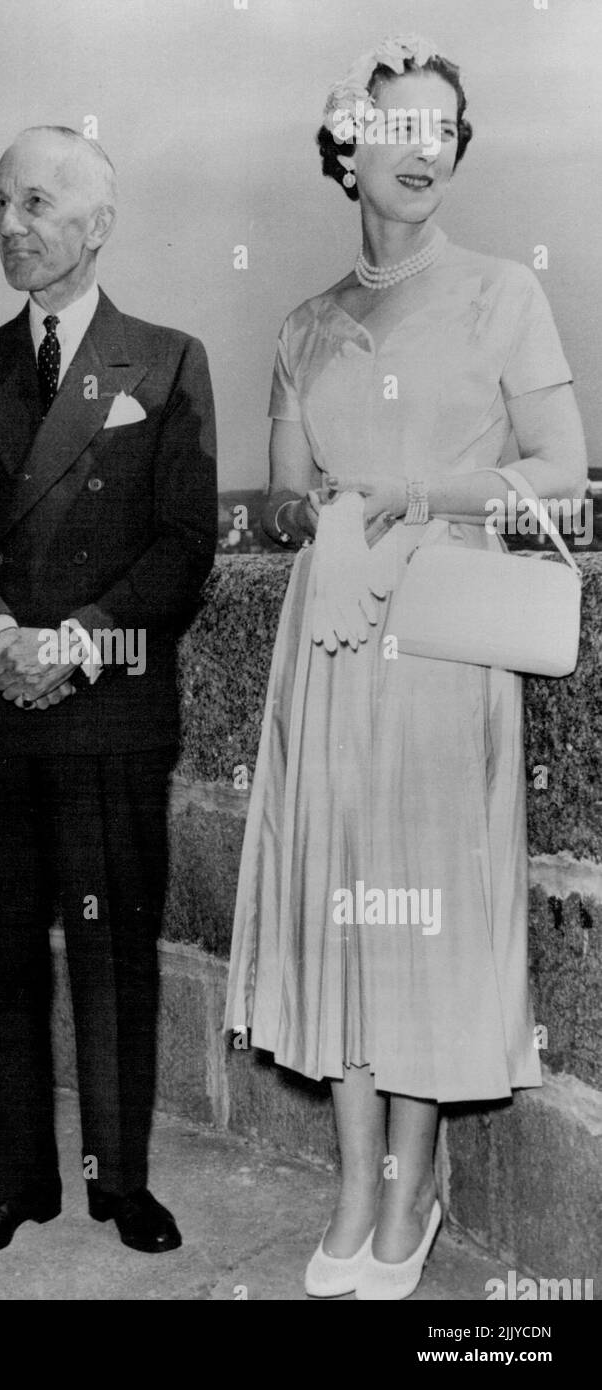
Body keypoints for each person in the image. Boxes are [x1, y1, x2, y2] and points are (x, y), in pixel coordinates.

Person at [224, 36, 587, 1299]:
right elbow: (280, 495)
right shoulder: (303, 324)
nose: (424, 148)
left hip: (441, 642)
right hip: (329, 649)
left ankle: (414, 1185)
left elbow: (560, 469)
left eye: (444, 128)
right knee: (343, 912)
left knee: (423, 917)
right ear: (347, 149)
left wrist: (419, 495)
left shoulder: (502, 293)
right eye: (397, 127)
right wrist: (300, 515)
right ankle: (356, 1175)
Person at [0, 126, 217, 1258]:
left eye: (35, 203)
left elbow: (183, 546)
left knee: (116, 950)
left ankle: (120, 1182)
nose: (9, 225)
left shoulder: (168, 360)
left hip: (107, 704)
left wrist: (74, 643)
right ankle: (17, 1183)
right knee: (3, 953)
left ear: (97, 225)